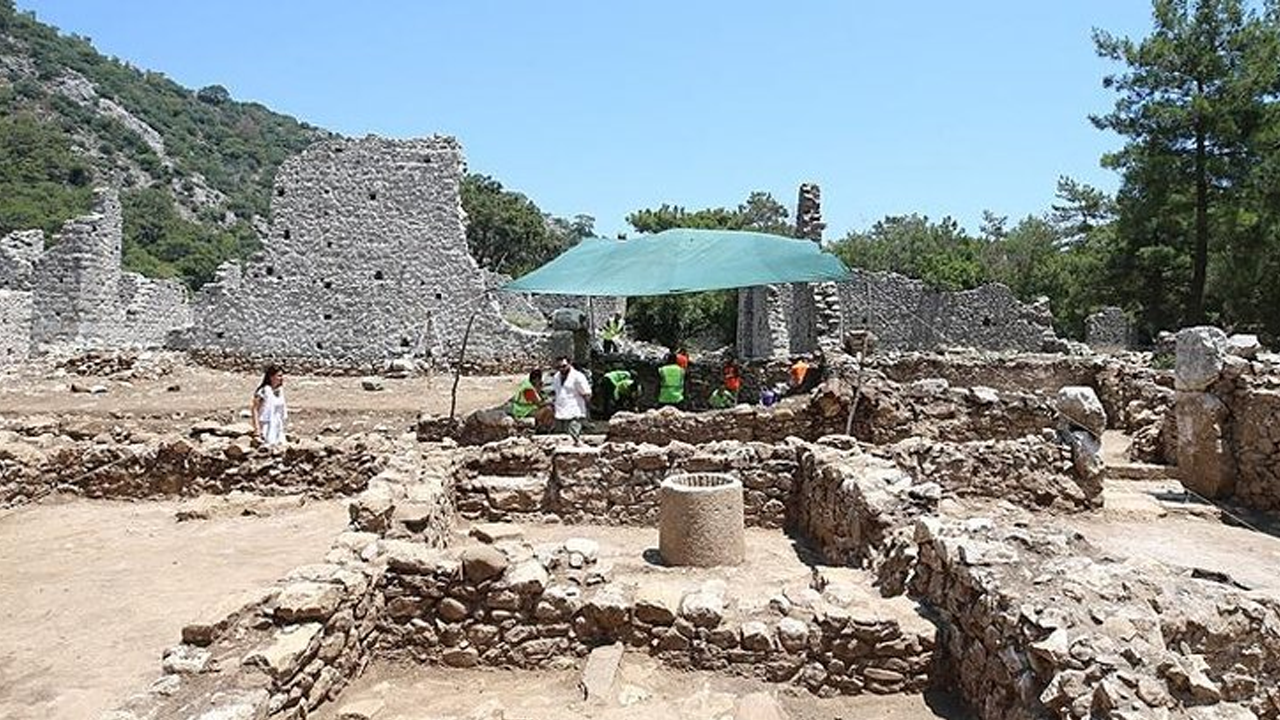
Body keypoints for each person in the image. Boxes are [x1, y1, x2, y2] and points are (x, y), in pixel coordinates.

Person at [552, 356, 592, 442]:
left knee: (573, 440)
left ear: (569, 364)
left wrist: (587, 414)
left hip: (574, 414)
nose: (561, 369)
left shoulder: (578, 377)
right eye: (558, 367)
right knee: (559, 441)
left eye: (563, 366)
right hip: (559, 415)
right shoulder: (556, 377)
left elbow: (587, 394)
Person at [251, 364, 287, 446]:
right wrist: (257, 429)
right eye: (279, 376)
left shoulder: (279, 391)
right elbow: (255, 409)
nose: (282, 378)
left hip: (278, 426)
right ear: (271, 377)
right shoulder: (263, 391)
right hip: (266, 427)